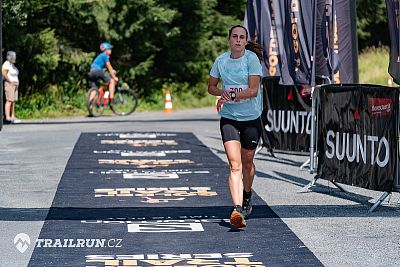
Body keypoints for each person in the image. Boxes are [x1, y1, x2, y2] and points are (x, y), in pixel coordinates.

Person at [208, 25, 263, 228]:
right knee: (235, 164)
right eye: (234, 36)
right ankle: (237, 209)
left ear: (246, 41)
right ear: (229, 39)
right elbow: (210, 87)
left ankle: (247, 195)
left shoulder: (251, 60)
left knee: (247, 163)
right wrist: (220, 92)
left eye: (242, 37)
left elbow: (253, 90)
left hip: (250, 117)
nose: (238, 40)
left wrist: (230, 94)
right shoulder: (221, 61)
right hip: (229, 117)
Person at [2, 51, 21, 124]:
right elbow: (4, 73)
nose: (14, 58)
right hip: (10, 84)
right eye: (13, 56)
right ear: (10, 57)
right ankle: (7, 117)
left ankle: (12, 116)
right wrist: (10, 81)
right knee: (9, 100)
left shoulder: (12, 65)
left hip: (15, 84)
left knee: (13, 101)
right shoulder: (6, 64)